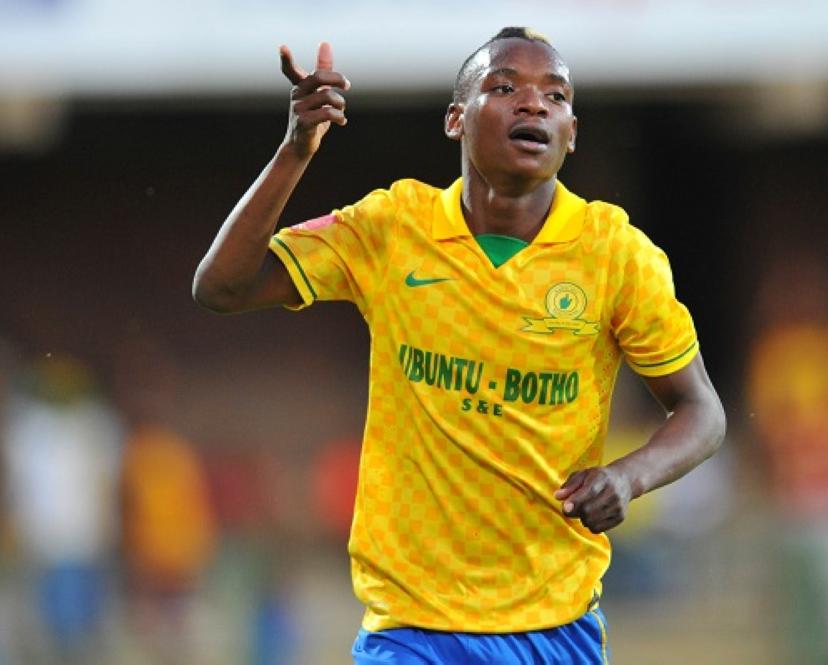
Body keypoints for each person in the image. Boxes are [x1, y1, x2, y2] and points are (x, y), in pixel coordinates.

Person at [193, 27, 726, 664]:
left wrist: (627, 476)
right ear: (456, 120)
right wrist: (297, 147)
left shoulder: (615, 255)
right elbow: (222, 286)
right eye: (504, 88)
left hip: (554, 625)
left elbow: (703, 412)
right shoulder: (393, 228)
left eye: (554, 97)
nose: (533, 105)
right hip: (411, 629)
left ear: (573, 132)